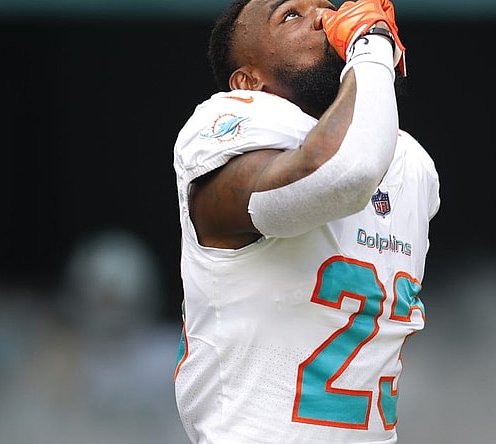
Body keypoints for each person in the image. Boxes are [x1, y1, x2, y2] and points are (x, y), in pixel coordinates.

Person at [171, 0, 440, 442]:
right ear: (248, 80)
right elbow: (342, 173)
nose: (325, 18)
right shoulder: (229, 121)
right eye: (290, 15)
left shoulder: (409, 162)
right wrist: (371, 50)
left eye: (328, 7)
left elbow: (360, 152)